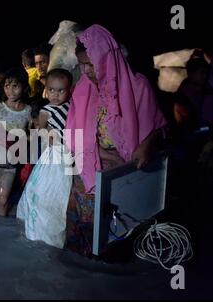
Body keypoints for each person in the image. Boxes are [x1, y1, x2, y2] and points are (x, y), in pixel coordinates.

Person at [65, 25, 166, 257]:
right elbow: (73, 133)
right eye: (82, 64)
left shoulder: (138, 85)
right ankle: (79, 276)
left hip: (125, 169)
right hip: (89, 163)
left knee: (119, 226)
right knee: (84, 225)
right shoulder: (83, 89)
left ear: (108, 57)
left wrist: (146, 143)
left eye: (91, 63)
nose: (87, 70)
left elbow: (156, 124)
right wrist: (102, 152)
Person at [17, 68, 73, 248]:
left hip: (67, 152)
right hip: (54, 153)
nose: (56, 95)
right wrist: (52, 135)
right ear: (46, 90)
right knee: (47, 190)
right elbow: (40, 129)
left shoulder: (70, 106)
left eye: (61, 90)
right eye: (52, 90)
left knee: (61, 193)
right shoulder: (46, 110)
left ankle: (55, 233)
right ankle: (40, 232)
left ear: (69, 90)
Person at [0, 67, 32, 217]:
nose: (10, 91)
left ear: (24, 87)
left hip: (10, 166)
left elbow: (30, 135)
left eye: (15, 86)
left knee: (3, 198)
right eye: (7, 86)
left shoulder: (28, 111)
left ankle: (1, 224)